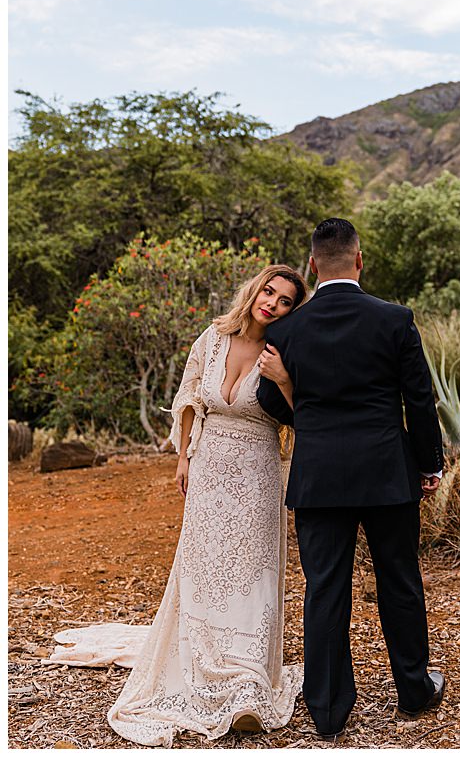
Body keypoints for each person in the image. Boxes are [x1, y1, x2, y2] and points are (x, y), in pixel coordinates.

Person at [46, 265, 309, 746]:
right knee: (204, 565)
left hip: (258, 469)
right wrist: (185, 456)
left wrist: (285, 380)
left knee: (251, 569)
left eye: (285, 300)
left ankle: (247, 679)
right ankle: (200, 657)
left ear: (293, 310)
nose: (271, 302)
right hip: (208, 465)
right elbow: (189, 397)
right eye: (268, 291)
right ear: (254, 290)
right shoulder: (212, 337)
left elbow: (302, 417)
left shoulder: (284, 351)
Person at [254, 218, 446, 741]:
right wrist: (429, 464)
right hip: (388, 474)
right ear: (360, 260)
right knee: (400, 581)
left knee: (325, 589)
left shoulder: (287, 330)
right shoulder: (395, 319)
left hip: (318, 478)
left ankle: (328, 709)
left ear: (313, 265)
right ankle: (414, 689)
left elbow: (271, 403)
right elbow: (419, 401)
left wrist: (302, 396)